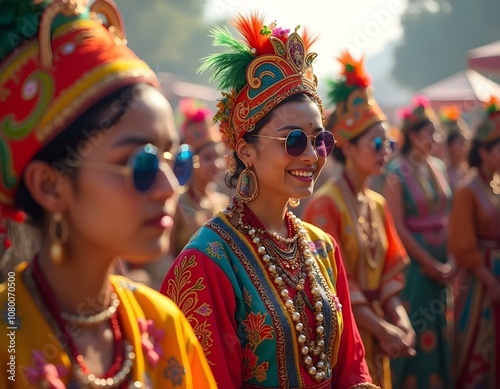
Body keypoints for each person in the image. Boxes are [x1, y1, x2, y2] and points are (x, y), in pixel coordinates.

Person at [0, 1, 216, 388]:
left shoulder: (166, 325)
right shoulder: (6, 339)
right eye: (142, 164)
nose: (170, 186)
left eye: (177, 160)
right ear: (50, 186)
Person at [160, 13, 380, 389]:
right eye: (294, 140)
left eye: (319, 139)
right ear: (246, 151)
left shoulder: (321, 247)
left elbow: (352, 367)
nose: (312, 155)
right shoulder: (205, 264)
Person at [302, 51, 415, 389]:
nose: (385, 152)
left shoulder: (377, 204)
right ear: (348, 148)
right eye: (377, 143)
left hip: (378, 331)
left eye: (389, 143)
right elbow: (332, 286)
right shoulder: (325, 205)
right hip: (341, 335)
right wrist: (383, 328)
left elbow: (390, 273)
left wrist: (400, 320)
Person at [382, 96, 454, 389]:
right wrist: (430, 264)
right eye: (429, 133)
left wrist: (449, 262)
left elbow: (447, 216)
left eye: (436, 133)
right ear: (413, 136)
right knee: (416, 327)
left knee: (440, 331)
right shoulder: (396, 173)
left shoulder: (437, 166)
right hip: (414, 267)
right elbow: (397, 226)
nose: (435, 139)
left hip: (441, 265)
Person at [449, 97, 500, 389]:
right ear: (484, 151)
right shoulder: (467, 190)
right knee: (478, 346)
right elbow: (461, 243)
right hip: (480, 280)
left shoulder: (495, 185)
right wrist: (489, 280)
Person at [170, 98, 229, 257]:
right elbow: (164, 259)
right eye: (208, 158)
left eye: (218, 158)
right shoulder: (177, 203)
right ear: (191, 160)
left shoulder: (223, 203)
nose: (216, 164)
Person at [439, 105, 472, 190]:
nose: (465, 147)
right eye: (461, 143)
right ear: (450, 146)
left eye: (465, 142)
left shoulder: (468, 170)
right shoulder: (442, 172)